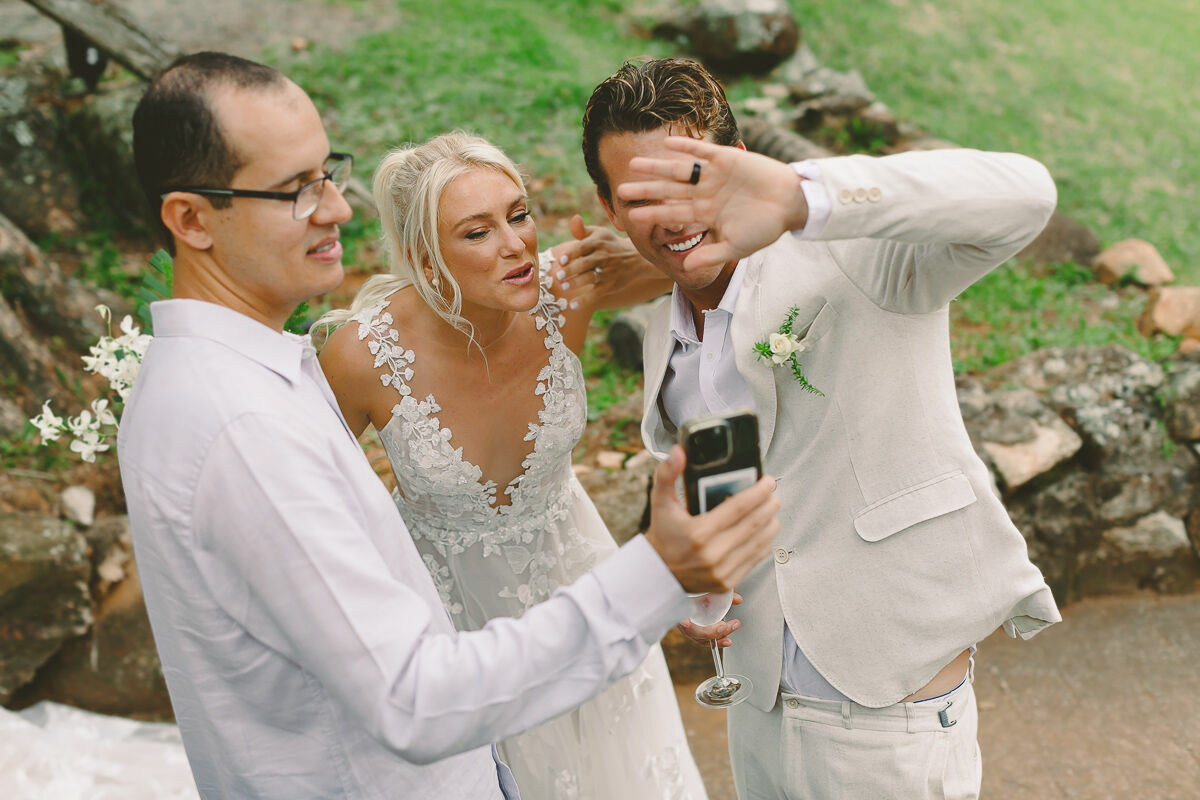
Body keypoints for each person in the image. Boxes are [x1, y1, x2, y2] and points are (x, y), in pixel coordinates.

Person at [118, 51, 781, 800]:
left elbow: (688, 258)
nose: (337, 208)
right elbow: (413, 698)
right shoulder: (248, 425)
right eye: (295, 190)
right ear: (191, 220)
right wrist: (661, 574)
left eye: (328, 174)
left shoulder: (252, 382)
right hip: (455, 672)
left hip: (545, 621)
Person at [581, 57, 1063, 800]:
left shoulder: (855, 255)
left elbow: (1026, 195)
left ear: (742, 165)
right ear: (610, 208)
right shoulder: (661, 330)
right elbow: (729, 470)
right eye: (643, 196)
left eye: (693, 182)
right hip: (758, 701)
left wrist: (802, 194)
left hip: (888, 703)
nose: (672, 217)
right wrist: (696, 581)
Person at [315, 132, 706, 798]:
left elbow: (698, 260)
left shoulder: (562, 287)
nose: (515, 244)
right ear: (425, 257)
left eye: (518, 215)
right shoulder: (361, 357)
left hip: (581, 575)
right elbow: (314, 499)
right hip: (449, 620)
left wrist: (629, 247)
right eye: (477, 232)